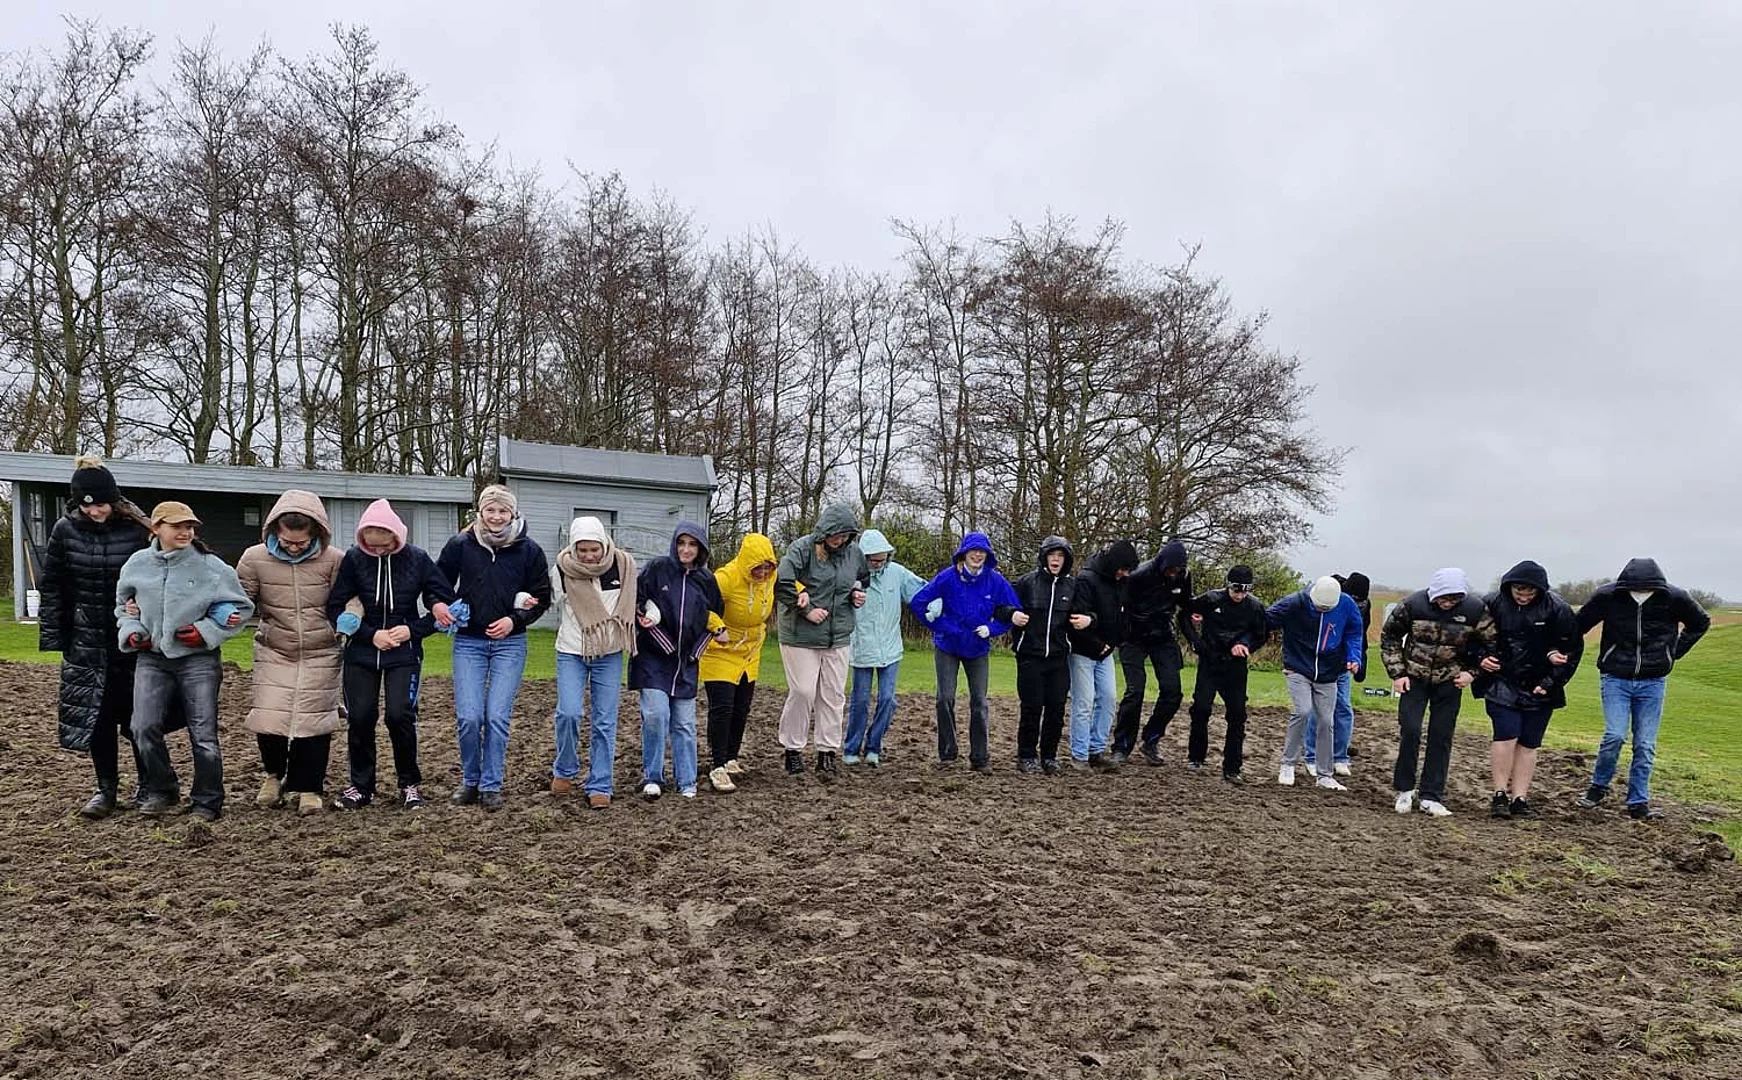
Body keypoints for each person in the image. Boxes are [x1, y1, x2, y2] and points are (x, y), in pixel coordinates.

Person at [37, 456, 160, 819]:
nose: (94, 512)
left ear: (114, 499)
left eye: (101, 505)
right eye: (87, 506)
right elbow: (54, 585)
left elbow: (158, 579)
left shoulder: (139, 528)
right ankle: (106, 788)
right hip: (87, 641)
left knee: (139, 717)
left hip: (133, 639)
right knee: (98, 718)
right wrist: (56, 635)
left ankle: (148, 785)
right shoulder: (64, 530)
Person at [115, 502, 254, 821]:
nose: (185, 532)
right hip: (151, 659)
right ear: (156, 529)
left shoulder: (212, 566)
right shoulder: (137, 564)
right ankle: (162, 789)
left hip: (199, 661)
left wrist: (206, 631)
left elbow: (241, 607)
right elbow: (123, 606)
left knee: (203, 733)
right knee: (141, 727)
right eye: (177, 526)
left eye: (189, 526)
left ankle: (208, 800)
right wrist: (133, 631)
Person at [326, 499, 456, 810]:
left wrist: (414, 629)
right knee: (360, 717)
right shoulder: (354, 560)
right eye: (372, 547)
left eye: (384, 546)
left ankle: (409, 784)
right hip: (362, 651)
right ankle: (361, 787)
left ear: (396, 537)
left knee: (399, 716)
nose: (378, 551)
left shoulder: (418, 559)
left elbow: (443, 600)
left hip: (404, 652)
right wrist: (370, 634)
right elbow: (335, 606)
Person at [437, 485, 552, 812]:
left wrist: (514, 620)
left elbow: (542, 597)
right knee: (469, 717)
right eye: (491, 510)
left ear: (513, 514)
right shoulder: (461, 545)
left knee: (497, 716)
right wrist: (440, 605)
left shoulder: (529, 551)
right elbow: (437, 583)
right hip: (469, 642)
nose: (497, 517)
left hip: (509, 644)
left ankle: (491, 785)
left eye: (503, 511)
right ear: (481, 511)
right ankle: (470, 780)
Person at [236, 491, 346, 816]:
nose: (294, 548)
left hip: (321, 649)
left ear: (317, 532)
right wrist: (227, 614)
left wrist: (349, 618)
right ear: (275, 531)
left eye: (301, 542)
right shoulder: (254, 558)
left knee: (313, 721)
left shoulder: (334, 560)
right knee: (270, 716)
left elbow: (348, 597)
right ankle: (273, 776)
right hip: (275, 648)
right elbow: (241, 598)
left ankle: (308, 787)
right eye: (287, 542)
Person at [1573, 558, 1710, 820]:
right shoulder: (1607, 596)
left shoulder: (1675, 598)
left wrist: (1674, 652)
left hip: (1653, 681)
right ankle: (1598, 787)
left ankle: (1638, 801)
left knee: (1645, 744)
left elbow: (1700, 622)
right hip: (1615, 677)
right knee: (1615, 735)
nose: (1642, 590)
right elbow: (1577, 625)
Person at [1379, 568, 1497, 818]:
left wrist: (1472, 673)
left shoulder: (1475, 610)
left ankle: (1431, 795)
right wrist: (1398, 673)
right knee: (1410, 730)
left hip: (1450, 681)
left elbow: (1492, 646)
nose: (1448, 603)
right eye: (1444, 598)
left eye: (1454, 599)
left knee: (1441, 736)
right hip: (1413, 677)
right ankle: (1404, 789)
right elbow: (1390, 637)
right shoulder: (1412, 605)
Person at [1474, 560, 1582, 819]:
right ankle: (1499, 794)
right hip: (1501, 681)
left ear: (1540, 590)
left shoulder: (1558, 609)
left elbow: (1571, 649)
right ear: (1509, 587)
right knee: (1506, 735)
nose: (1523, 597)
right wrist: (1480, 658)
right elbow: (1471, 637)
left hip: (1540, 685)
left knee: (1529, 743)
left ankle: (1520, 798)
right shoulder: (1491, 604)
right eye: (1518, 591)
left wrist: (1551, 682)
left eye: (1529, 592)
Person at [910, 533, 1020, 772]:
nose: (978, 555)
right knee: (944, 698)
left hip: (978, 649)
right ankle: (948, 755)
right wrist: (941, 626)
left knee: (979, 701)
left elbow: (1014, 612)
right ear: (963, 553)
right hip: (947, 646)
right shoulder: (946, 578)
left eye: (983, 552)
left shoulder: (996, 581)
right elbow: (918, 603)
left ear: (987, 556)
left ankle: (980, 758)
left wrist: (992, 629)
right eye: (973, 551)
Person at [773, 504, 870, 777]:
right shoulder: (802, 549)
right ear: (825, 531)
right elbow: (782, 582)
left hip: (838, 635)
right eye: (836, 535)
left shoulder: (854, 553)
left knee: (833, 695)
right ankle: (793, 749)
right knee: (803, 692)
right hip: (800, 635)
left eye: (845, 535)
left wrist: (856, 593)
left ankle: (827, 752)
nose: (840, 540)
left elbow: (863, 578)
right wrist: (806, 610)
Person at [549, 516, 638, 809]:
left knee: (604, 720)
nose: (589, 556)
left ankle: (600, 783)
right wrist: (524, 601)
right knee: (569, 713)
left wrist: (651, 613)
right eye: (582, 550)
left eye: (594, 549)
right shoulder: (562, 569)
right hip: (572, 650)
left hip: (609, 653)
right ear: (573, 548)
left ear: (604, 545)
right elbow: (546, 599)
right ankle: (565, 769)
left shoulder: (622, 565)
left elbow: (637, 600)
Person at [630, 521, 724, 800]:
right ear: (674, 544)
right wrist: (660, 639)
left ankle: (686, 780)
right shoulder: (656, 569)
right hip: (653, 660)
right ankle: (653, 776)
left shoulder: (707, 581)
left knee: (684, 723)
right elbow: (636, 604)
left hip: (686, 664)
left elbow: (715, 619)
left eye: (692, 544)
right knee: (656, 715)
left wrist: (697, 651)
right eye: (681, 543)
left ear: (701, 548)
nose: (686, 549)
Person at [1265, 576, 1364, 791]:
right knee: (1302, 711)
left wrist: (1354, 657)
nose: (1322, 611)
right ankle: (1288, 764)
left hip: (1329, 672)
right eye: (1319, 607)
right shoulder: (1295, 602)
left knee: (1326, 721)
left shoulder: (1347, 605)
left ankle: (1325, 775)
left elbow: (1354, 633)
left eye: (1326, 609)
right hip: (1298, 667)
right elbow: (1265, 620)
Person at [699, 532, 777, 790]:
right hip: (721, 650)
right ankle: (717, 765)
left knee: (741, 707)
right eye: (758, 567)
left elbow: (789, 583)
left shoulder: (771, 577)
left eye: (767, 567)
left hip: (750, 652)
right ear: (746, 563)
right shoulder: (726, 578)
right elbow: (700, 604)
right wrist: (716, 626)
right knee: (722, 708)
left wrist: (801, 592)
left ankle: (731, 757)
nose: (763, 573)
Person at [1000, 536, 1084, 775]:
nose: (1056, 560)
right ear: (1044, 557)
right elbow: (1000, 605)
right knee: (1032, 707)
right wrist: (1011, 614)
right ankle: (1026, 756)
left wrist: (1089, 619)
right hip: (1030, 656)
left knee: (1056, 709)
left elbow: (1086, 611)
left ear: (1067, 560)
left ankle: (1049, 756)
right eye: (1052, 555)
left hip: (1059, 658)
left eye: (1061, 556)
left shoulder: (1073, 586)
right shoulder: (1026, 582)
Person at [844, 528, 926, 767]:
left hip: (890, 648)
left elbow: (921, 591)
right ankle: (851, 748)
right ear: (865, 557)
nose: (878, 564)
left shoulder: (897, 573)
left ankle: (874, 746)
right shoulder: (852, 575)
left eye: (882, 559)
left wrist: (937, 606)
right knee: (860, 701)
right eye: (874, 560)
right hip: (862, 647)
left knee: (888, 699)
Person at [1182, 565, 1269, 783]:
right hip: (1210, 662)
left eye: (1245, 590)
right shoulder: (1211, 599)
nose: (1240, 595)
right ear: (1228, 585)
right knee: (1201, 708)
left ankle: (1232, 767)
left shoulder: (1255, 607)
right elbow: (1183, 615)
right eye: (1236, 589)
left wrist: (1245, 644)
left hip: (1235, 666)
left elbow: (1261, 634)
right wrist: (1196, 642)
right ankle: (1196, 757)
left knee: (1237, 715)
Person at [1114, 540, 1192, 765]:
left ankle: (1151, 739)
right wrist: (1121, 635)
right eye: (1170, 569)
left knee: (1173, 691)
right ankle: (1122, 746)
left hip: (1162, 635)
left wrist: (1195, 627)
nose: (1174, 573)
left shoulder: (1184, 576)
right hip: (1134, 637)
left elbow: (1185, 605)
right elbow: (1121, 606)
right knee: (1135, 691)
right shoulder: (1138, 576)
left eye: (1178, 569)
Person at [1067, 540, 1139, 770]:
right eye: (1123, 568)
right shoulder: (1086, 580)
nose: (1125, 574)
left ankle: (1096, 750)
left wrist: (1113, 642)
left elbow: (1121, 616)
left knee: (1108, 698)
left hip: (1106, 651)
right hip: (1082, 651)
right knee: (1084, 702)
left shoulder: (1122, 583)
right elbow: (1077, 620)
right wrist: (1098, 644)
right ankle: (1079, 754)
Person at [1307, 571, 1371, 777]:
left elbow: (1359, 635)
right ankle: (1312, 756)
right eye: (1353, 599)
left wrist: (1358, 659)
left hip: (1344, 665)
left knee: (1343, 708)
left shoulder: (1364, 606)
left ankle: (1340, 756)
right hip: (1323, 664)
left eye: (1361, 601)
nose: (1356, 605)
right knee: (1319, 709)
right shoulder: (1330, 602)